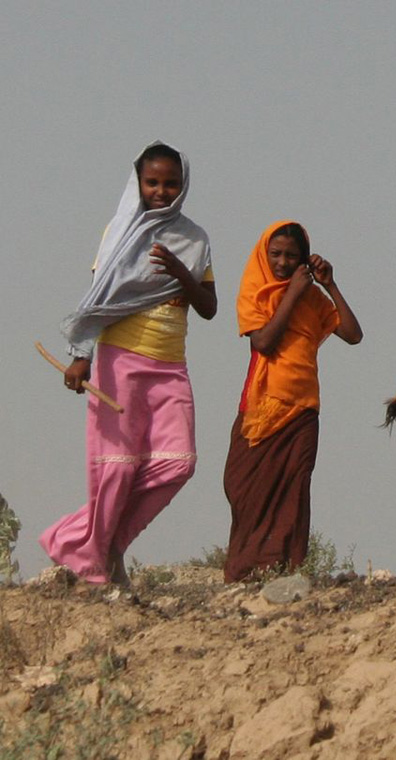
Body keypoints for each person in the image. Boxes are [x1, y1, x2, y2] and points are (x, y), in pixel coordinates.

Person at [41, 141, 216, 585]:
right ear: (138, 183)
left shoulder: (195, 239)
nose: (161, 191)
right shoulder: (119, 232)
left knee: (179, 463)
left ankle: (92, 541)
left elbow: (209, 307)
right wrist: (81, 356)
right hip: (120, 363)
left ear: (183, 186)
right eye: (152, 182)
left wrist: (180, 271)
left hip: (171, 368)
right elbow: (99, 298)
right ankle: (94, 563)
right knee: (117, 467)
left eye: (170, 183)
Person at [223, 221, 363, 581]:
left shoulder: (314, 298)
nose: (283, 262)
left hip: (303, 410)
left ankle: (283, 570)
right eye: (276, 254)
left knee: (293, 493)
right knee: (244, 489)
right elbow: (263, 342)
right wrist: (292, 295)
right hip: (262, 409)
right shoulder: (255, 293)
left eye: (291, 256)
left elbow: (353, 334)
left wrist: (329, 285)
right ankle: (245, 571)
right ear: (264, 255)